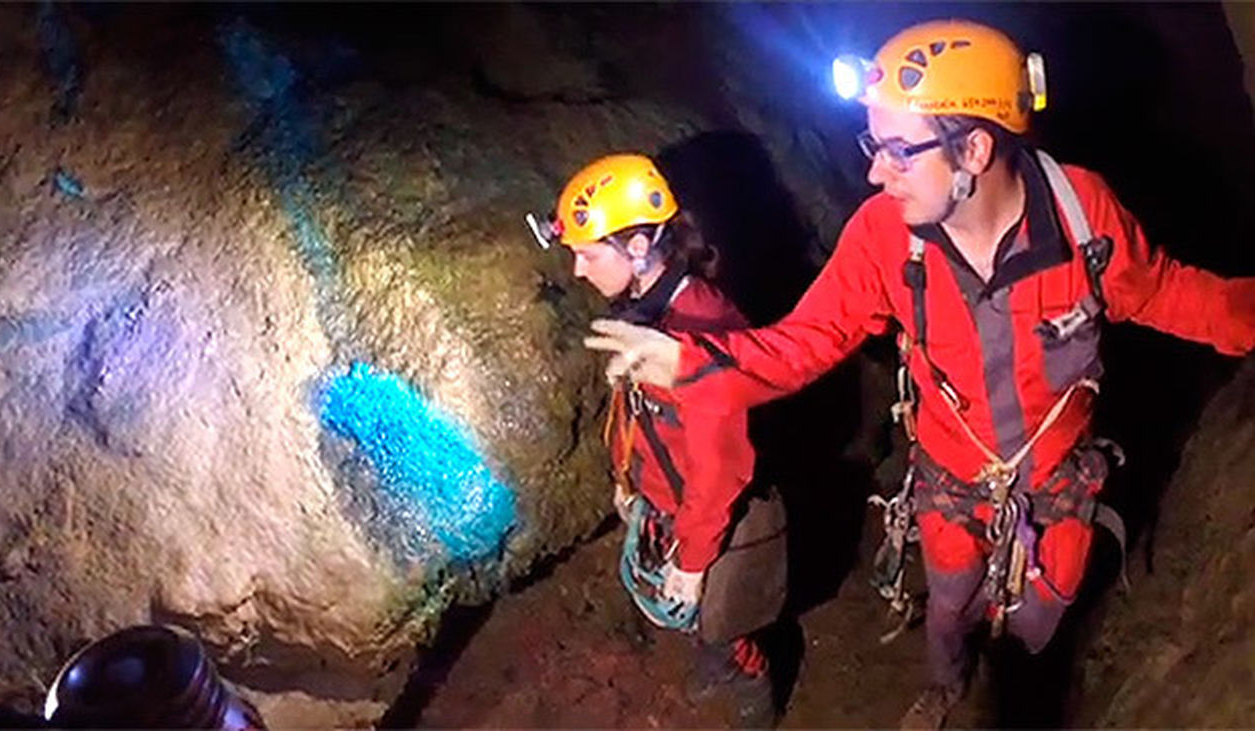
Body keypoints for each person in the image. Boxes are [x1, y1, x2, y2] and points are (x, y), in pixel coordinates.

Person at [583, 20, 1255, 730]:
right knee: (947, 602)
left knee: (1037, 619)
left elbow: (1168, 293)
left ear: (972, 149)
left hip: (1056, 490)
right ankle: (945, 684)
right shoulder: (883, 238)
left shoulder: (1078, 215)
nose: (875, 171)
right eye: (872, 146)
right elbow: (803, 343)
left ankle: (1012, 694)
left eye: (897, 152)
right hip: (949, 484)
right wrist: (696, 362)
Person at [529, 153, 788, 727]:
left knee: (718, 617)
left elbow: (721, 470)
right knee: (695, 618)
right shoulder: (646, 310)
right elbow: (638, 412)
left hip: (708, 513)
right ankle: (716, 656)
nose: (577, 271)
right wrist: (629, 483)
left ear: (640, 247)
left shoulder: (703, 329)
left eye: (588, 254)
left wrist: (694, 563)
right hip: (665, 498)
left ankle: (750, 682)